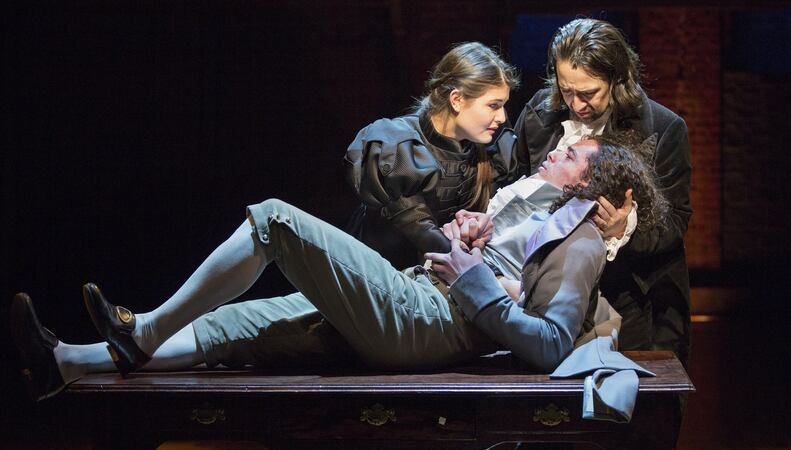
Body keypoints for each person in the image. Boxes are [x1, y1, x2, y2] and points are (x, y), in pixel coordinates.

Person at [11, 138, 665, 402]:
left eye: (575, 152)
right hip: (422, 301)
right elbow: (492, 273)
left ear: (593, 181)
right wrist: (468, 239)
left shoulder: (578, 247)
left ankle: (143, 332)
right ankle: (66, 361)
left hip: (429, 322)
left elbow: (549, 344)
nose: (558, 149)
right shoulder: (547, 223)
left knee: (273, 222)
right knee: (237, 324)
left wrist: (473, 276)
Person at [514, 18, 692, 367]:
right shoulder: (539, 115)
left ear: (617, 79)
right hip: (545, 291)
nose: (576, 103)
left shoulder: (664, 129)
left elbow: (676, 221)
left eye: (589, 92)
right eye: (566, 90)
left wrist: (623, 231)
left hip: (630, 296)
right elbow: (509, 183)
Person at [344, 41, 529, 269]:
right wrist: (481, 272)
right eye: (493, 105)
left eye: (503, 105)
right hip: (377, 277)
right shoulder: (398, 145)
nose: (502, 117)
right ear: (457, 100)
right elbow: (423, 235)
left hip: (440, 280)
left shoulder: (490, 150)